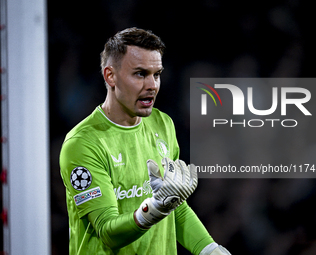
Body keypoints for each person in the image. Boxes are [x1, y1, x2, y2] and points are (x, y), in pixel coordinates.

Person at [60, 27, 231, 255]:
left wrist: (209, 249)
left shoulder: (163, 124)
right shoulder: (83, 143)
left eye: (156, 74)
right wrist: (153, 209)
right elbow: (108, 232)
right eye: (140, 74)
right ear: (110, 76)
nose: (152, 85)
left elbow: (174, 206)